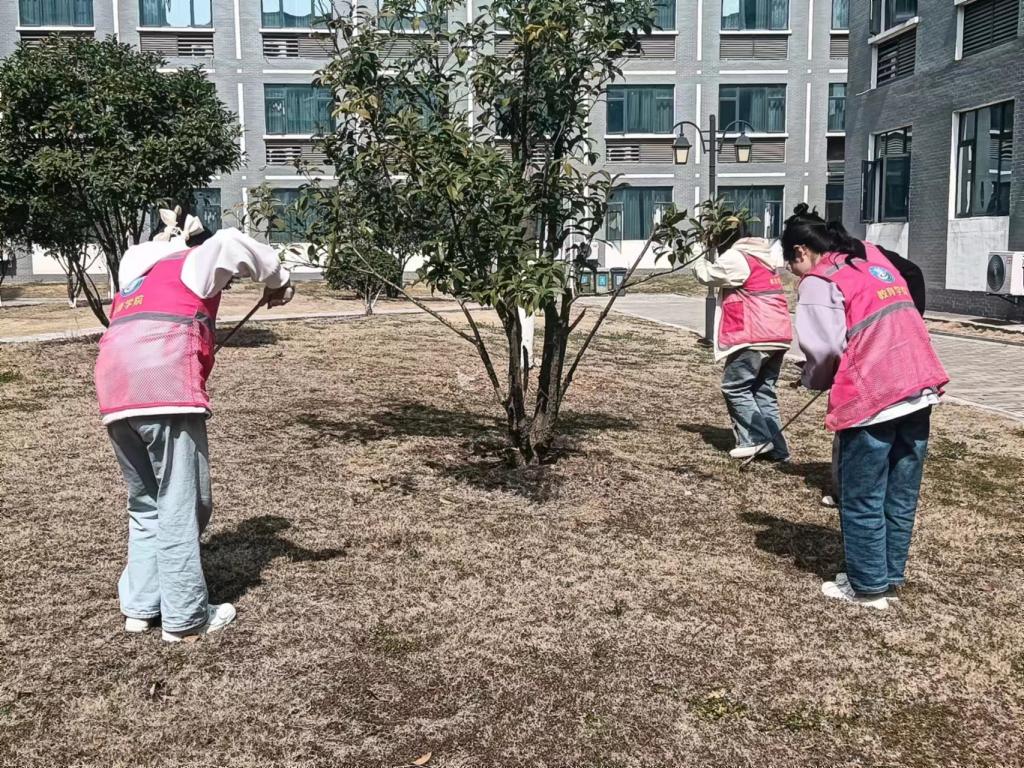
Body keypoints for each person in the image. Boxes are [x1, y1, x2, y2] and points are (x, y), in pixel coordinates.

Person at [94, 208, 294, 642]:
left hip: (114, 389)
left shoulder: (133, 275)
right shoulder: (191, 260)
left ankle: (140, 606)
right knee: (182, 502)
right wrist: (278, 281)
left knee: (145, 502)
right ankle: (186, 619)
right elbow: (231, 243)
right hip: (164, 385)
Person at [780, 203, 948, 610]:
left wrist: (813, 378)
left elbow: (824, 351)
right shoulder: (868, 254)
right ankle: (887, 576)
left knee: (862, 494)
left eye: (791, 266)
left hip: (873, 395)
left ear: (801, 251)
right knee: (899, 492)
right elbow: (912, 274)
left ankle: (868, 588)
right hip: (918, 382)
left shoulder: (819, 280)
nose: (794, 275)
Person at [693, 227, 794, 461]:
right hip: (777, 334)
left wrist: (699, 256)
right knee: (763, 392)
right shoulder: (763, 256)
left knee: (735, 387)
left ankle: (756, 439)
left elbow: (709, 275)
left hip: (753, 335)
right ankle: (778, 449)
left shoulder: (737, 256)